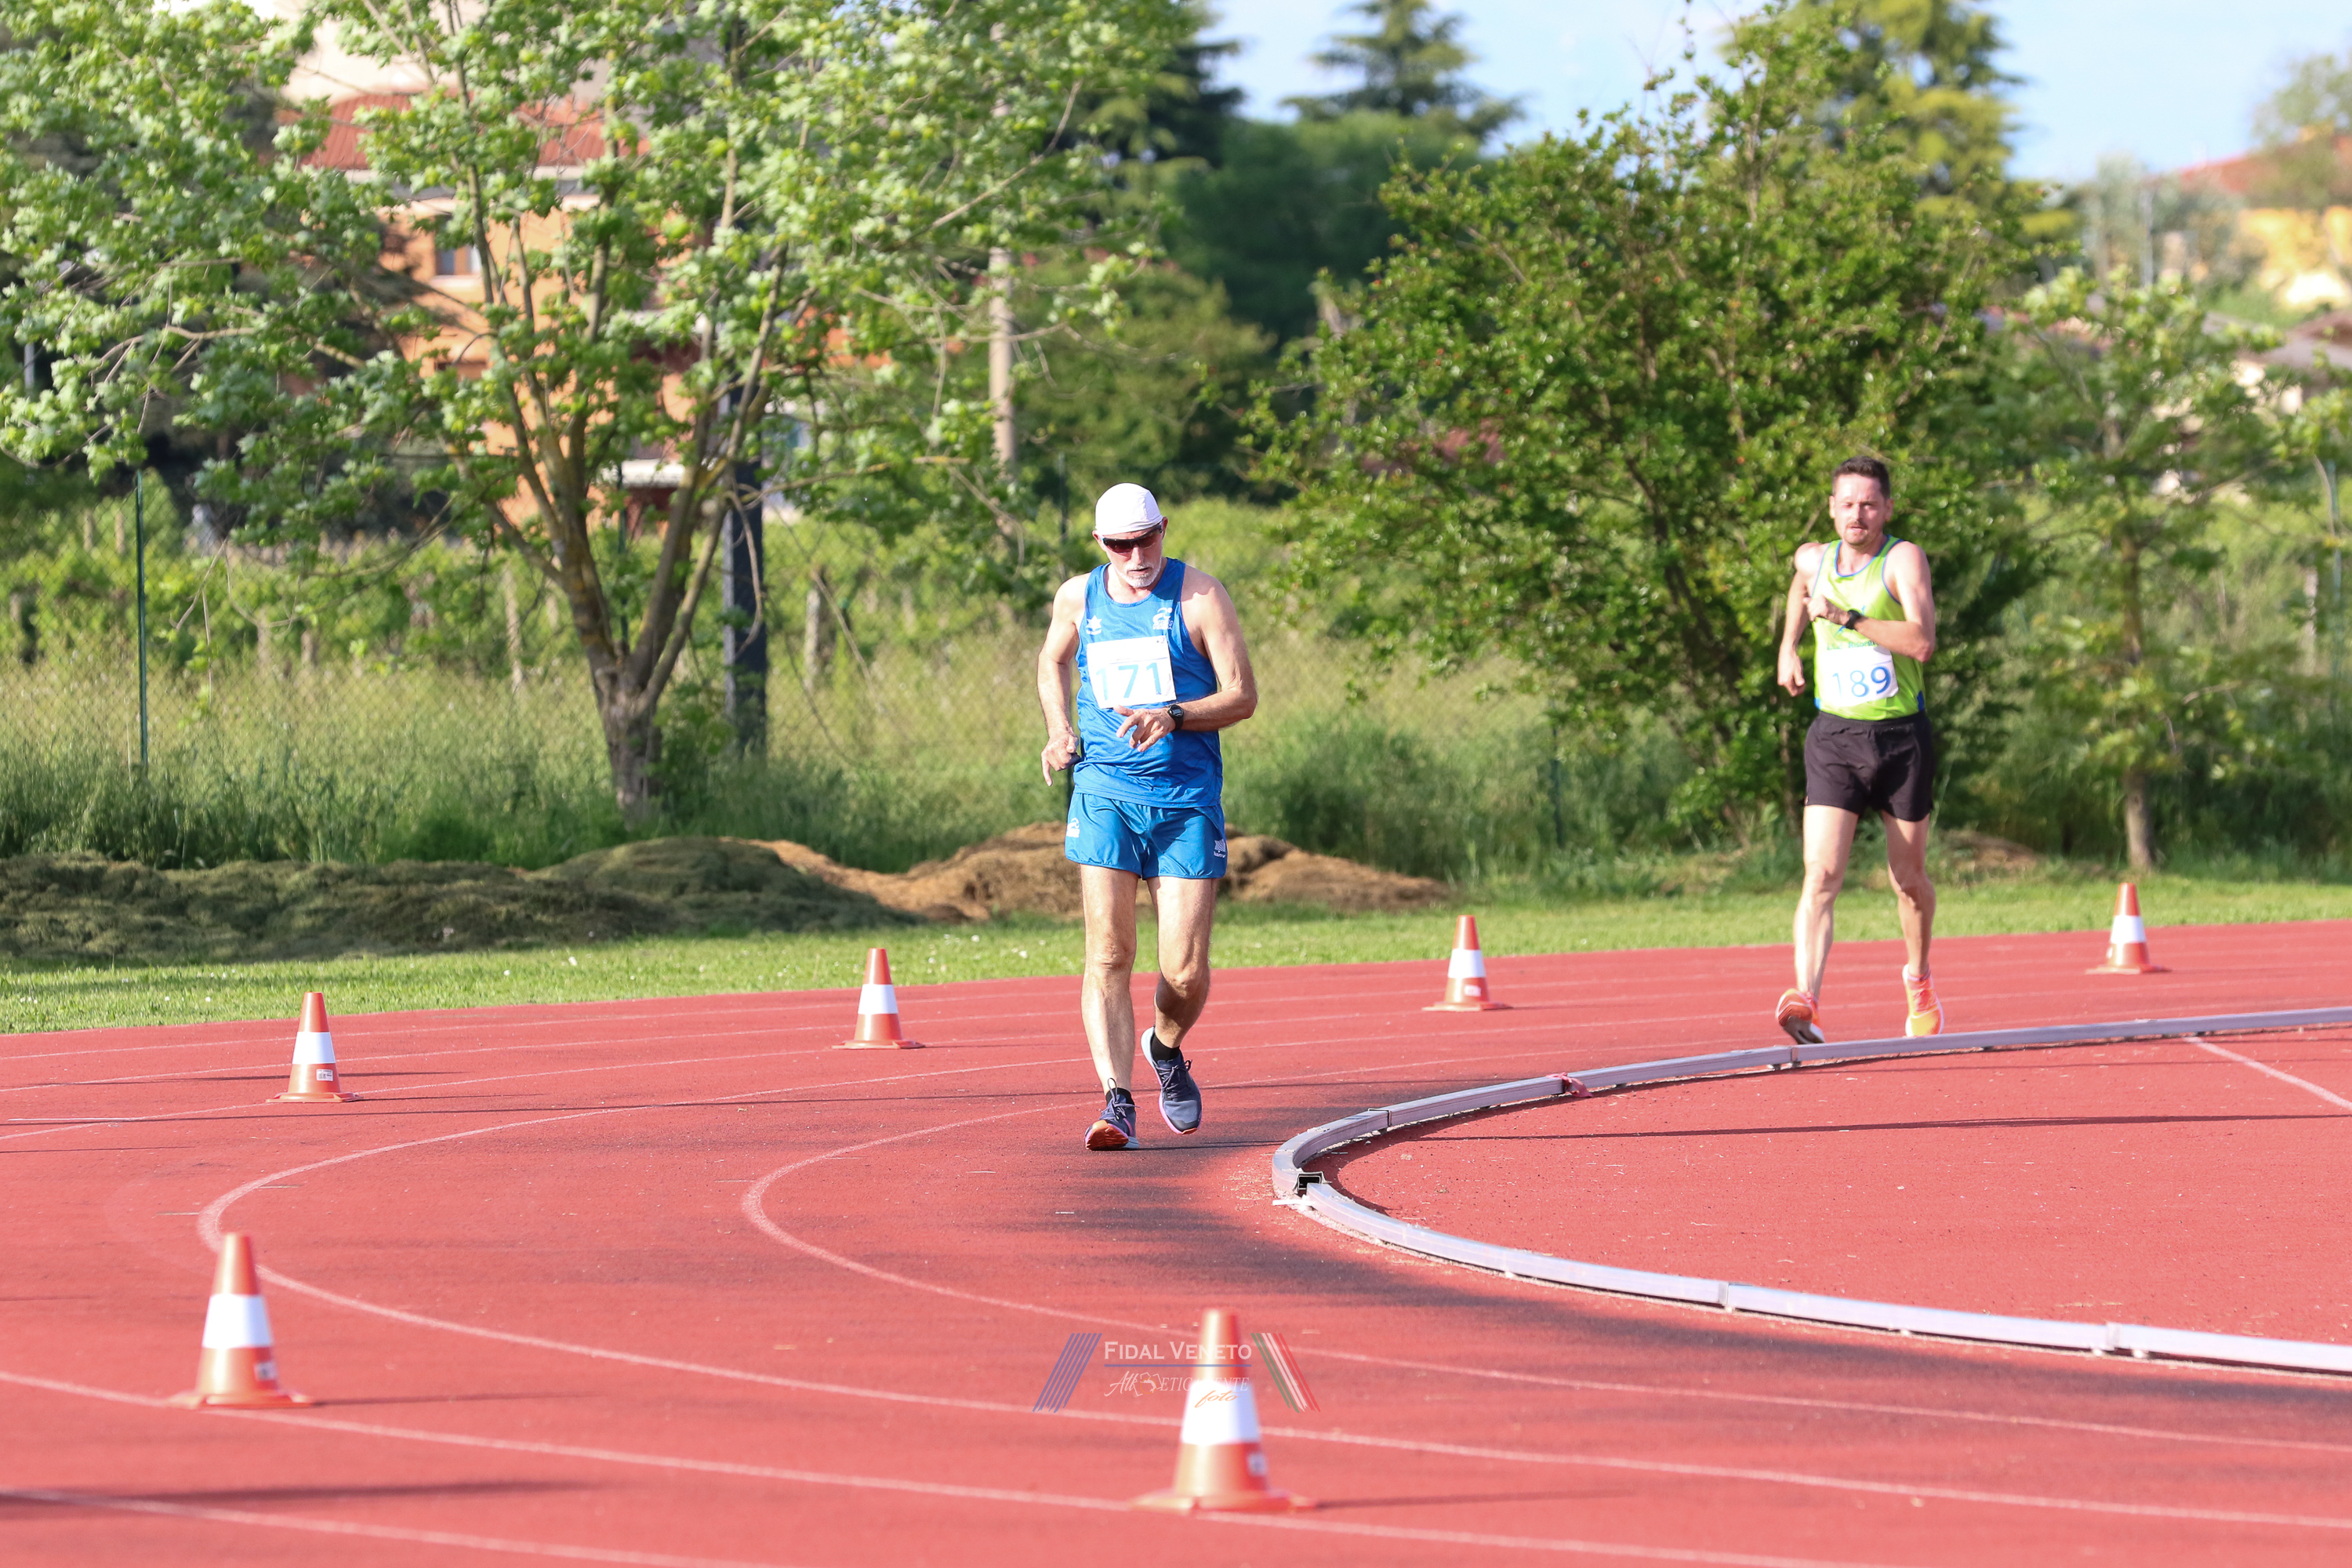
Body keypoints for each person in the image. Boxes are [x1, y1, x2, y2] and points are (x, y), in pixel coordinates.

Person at [1037, 483, 1258, 1150]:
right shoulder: (1078, 597)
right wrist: (1058, 729)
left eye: (1146, 540)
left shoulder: (1200, 597)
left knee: (1184, 971)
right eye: (1120, 545)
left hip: (1185, 800)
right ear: (1100, 544)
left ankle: (1165, 1048)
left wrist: (1176, 715)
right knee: (1108, 952)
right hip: (1105, 791)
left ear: (1164, 528)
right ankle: (1117, 1101)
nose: (1136, 557)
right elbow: (1051, 659)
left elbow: (1242, 695)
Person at [1773, 456, 1942, 1044]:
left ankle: (1918, 978)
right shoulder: (1813, 559)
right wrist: (1788, 647)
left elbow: (1922, 643)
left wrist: (1847, 617)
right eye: (1847, 504)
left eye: (1869, 504)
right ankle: (1806, 1000)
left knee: (1907, 879)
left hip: (1900, 740)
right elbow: (1801, 583)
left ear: (1887, 509)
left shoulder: (1902, 560)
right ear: (1831, 508)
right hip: (1835, 738)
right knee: (1820, 874)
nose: (1857, 515)